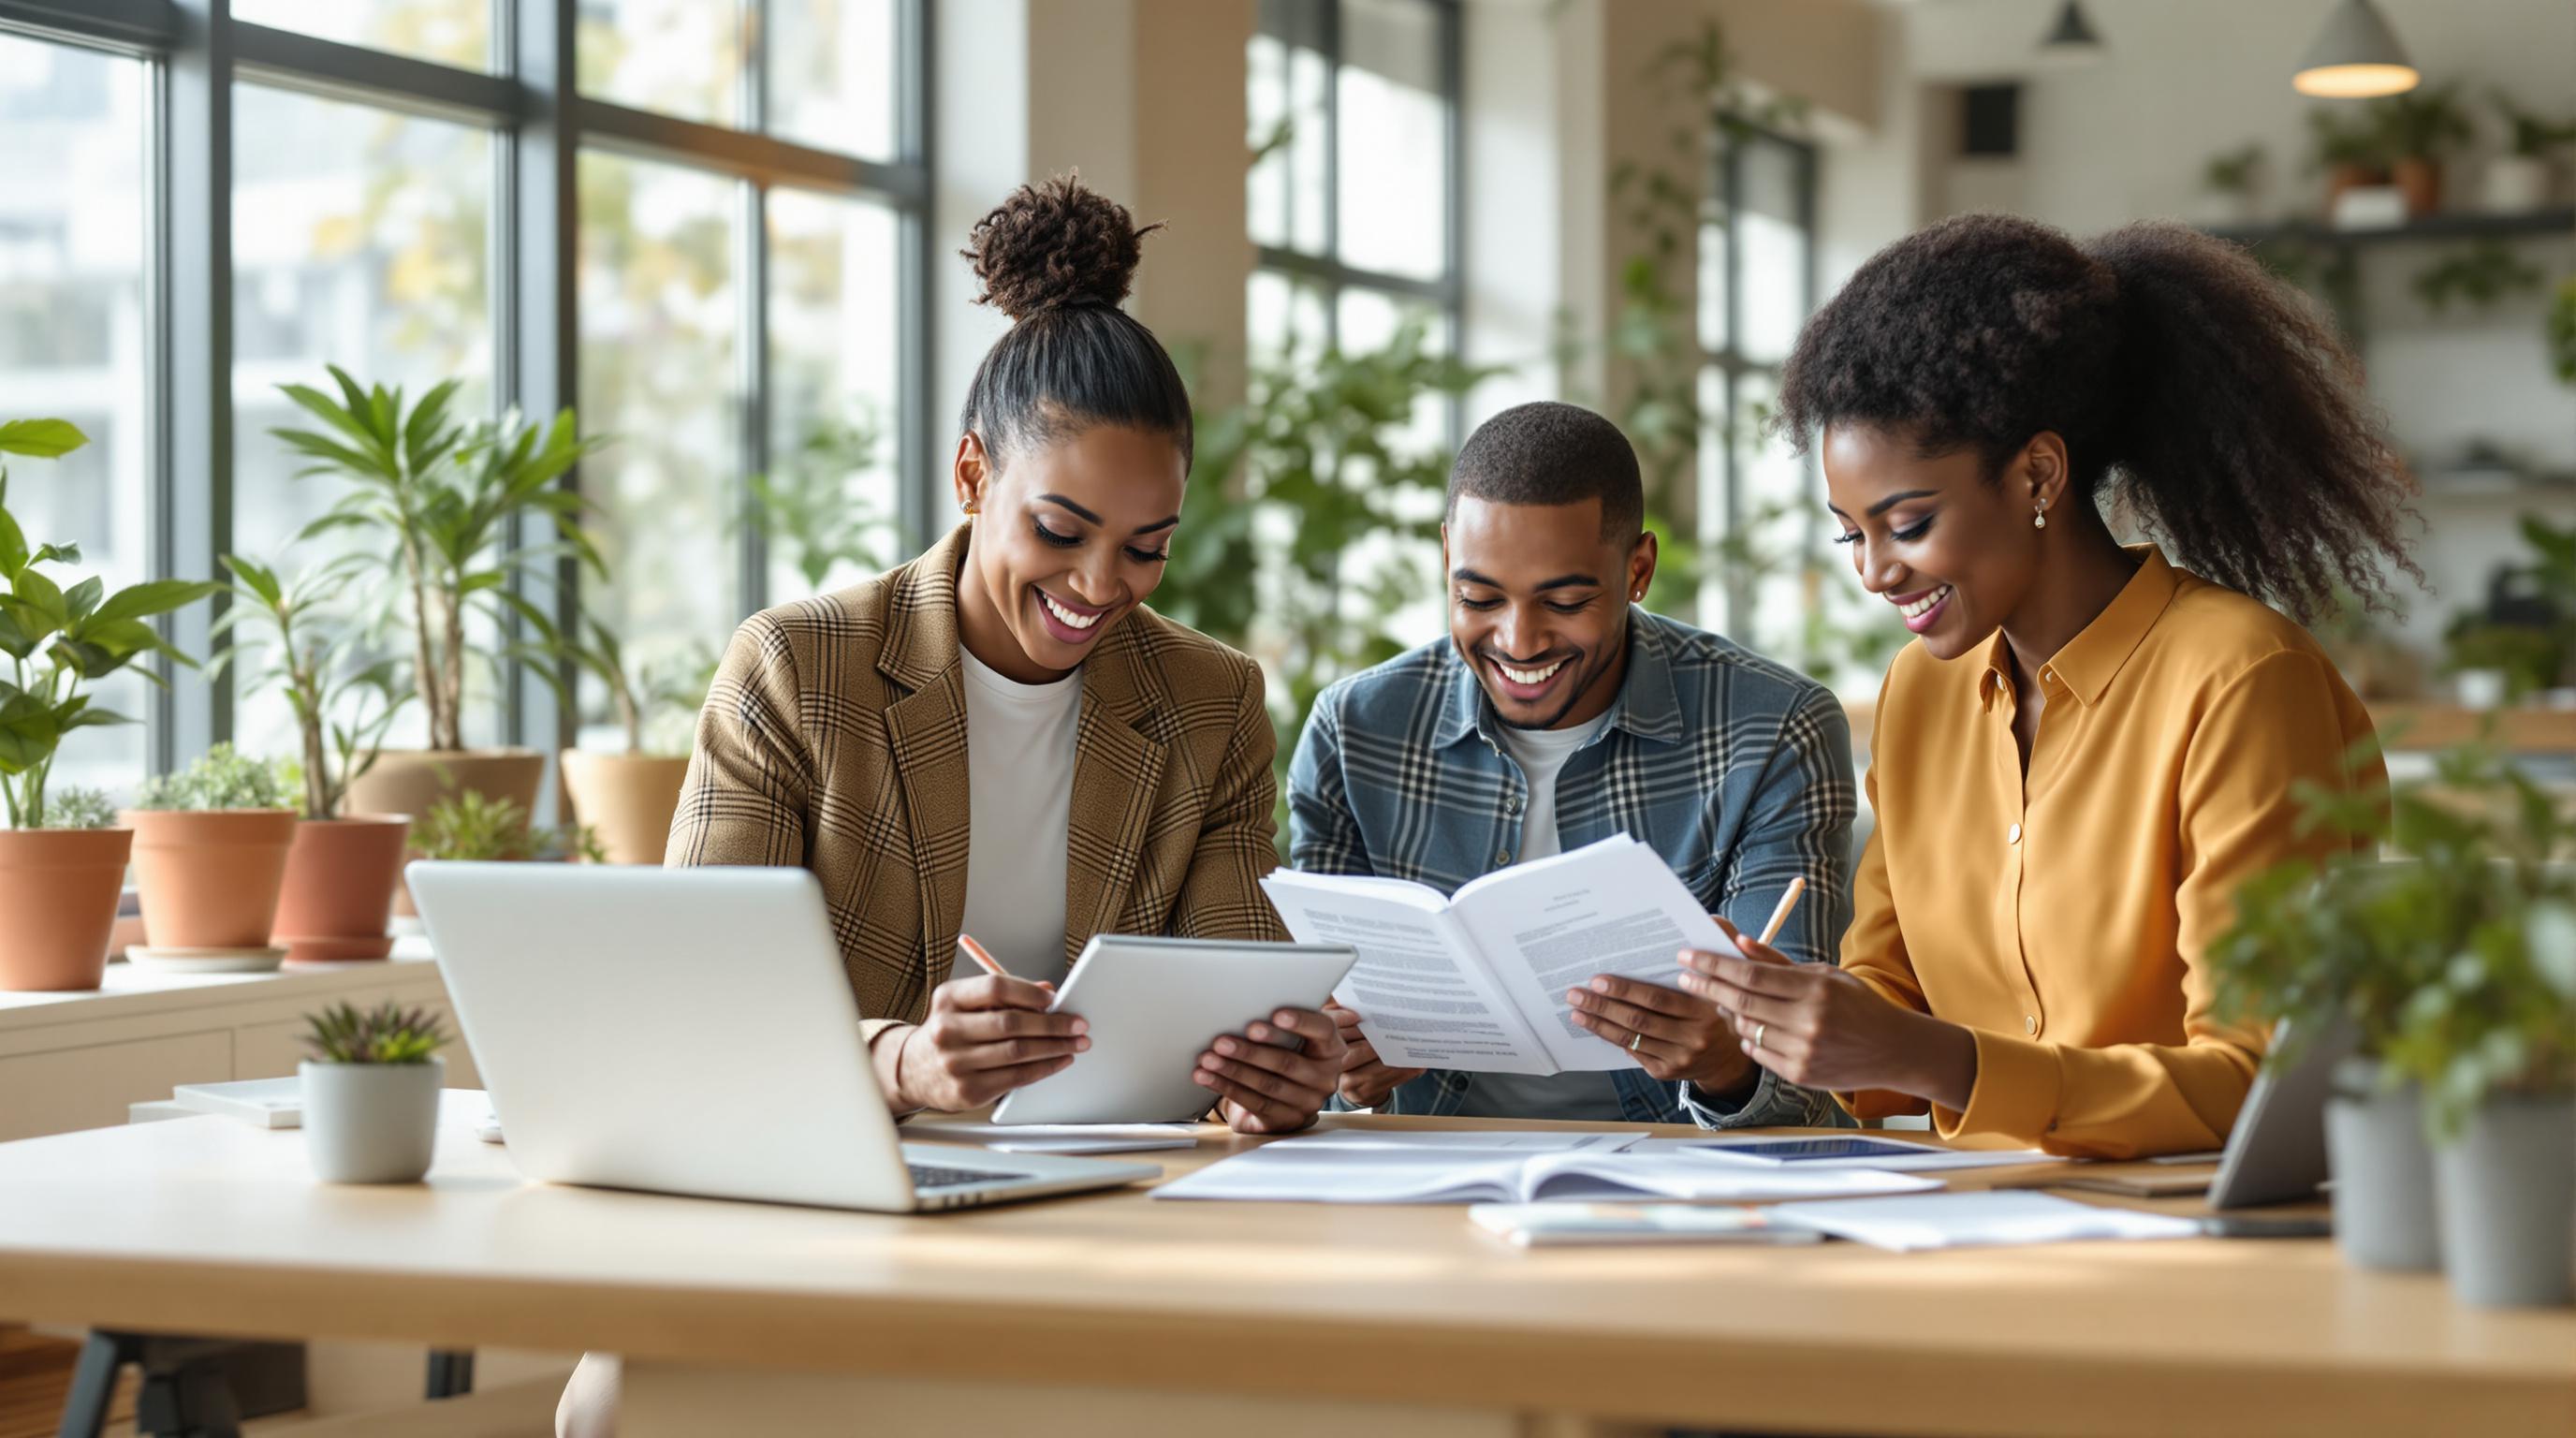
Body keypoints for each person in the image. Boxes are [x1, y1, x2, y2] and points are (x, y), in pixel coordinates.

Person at [558, 177, 1351, 1438]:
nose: (1104, 586)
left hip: (1111, 1224)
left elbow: (1230, 1003)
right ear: (974, 473)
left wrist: (1267, 1077)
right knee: (627, 1407)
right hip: (832, 1206)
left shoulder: (1209, 701)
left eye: (1146, 547)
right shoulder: (799, 669)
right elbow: (695, 1021)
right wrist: (906, 1061)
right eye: (1062, 528)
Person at [1680, 214, 2413, 1159]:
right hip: (1961, 1228)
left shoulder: (2241, 682)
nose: (1872, 572)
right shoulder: (1921, 694)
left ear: (2035, 473)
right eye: (1849, 533)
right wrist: (1759, 1027)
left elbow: (2264, 1078)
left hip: (2191, 1245)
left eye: (1906, 524)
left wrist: (1947, 1066)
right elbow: (1888, 1006)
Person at [1291, 400, 1856, 1128]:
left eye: (1564, 600)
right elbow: (1315, 1056)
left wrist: (1727, 1066)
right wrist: (1343, 1074)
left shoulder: (1772, 728)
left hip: (1683, 1185)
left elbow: (1808, 1082)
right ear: (1445, 561)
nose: (1519, 641)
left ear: (1639, 568)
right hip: (1428, 1178)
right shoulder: (1355, 732)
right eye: (1478, 597)